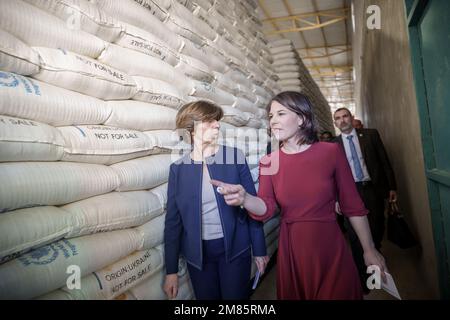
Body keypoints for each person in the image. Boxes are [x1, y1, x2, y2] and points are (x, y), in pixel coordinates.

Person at [210, 91, 387, 300]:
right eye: (270, 116)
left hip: (329, 246)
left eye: (281, 114)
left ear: (302, 118)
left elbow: (352, 205)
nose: (273, 121)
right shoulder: (268, 162)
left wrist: (369, 249)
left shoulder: (331, 152)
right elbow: (266, 207)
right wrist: (245, 199)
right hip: (293, 250)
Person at [163, 100, 269, 300]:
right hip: (198, 258)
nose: (217, 125)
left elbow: (251, 205)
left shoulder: (234, 157)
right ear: (191, 128)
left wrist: (260, 250)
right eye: (209, 120)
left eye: (216, 120)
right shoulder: (178, 169)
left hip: (236, 251)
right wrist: (171, 272)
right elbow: (173, 222)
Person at [333, 107, 397, 292]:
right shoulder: (332, 144)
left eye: (345, 116)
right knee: (354, 237)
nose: (342, 120)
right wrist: (336, 198)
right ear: (335, 123)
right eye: (338, 118)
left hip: (371, 189)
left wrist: (392, 186)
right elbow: (332, 175)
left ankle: (375, 274)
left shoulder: (370, 135)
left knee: (376, 230)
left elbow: (384, 160)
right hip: (349, 192)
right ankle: (363, 280)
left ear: (351, 118)